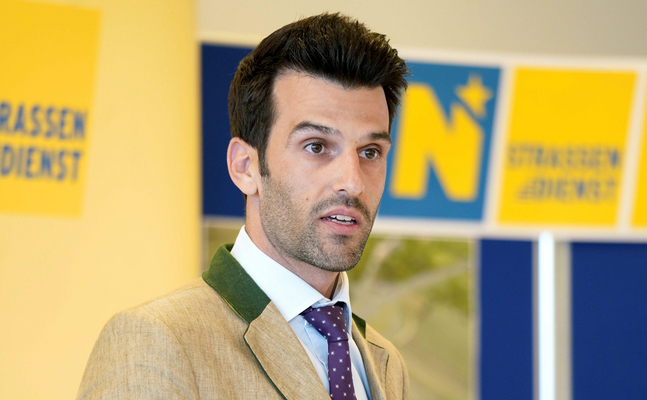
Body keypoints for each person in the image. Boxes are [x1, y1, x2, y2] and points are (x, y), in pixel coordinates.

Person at [77, 13, 409, 400]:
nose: (352, 181)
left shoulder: (386, 363)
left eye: (370, 152)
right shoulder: (155, 340)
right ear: (245, 167)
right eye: (316, 146)